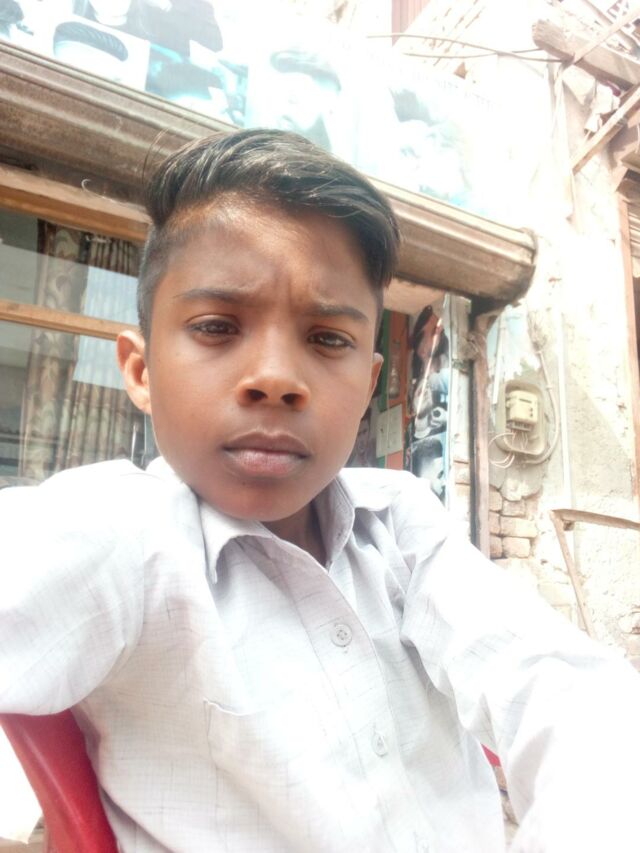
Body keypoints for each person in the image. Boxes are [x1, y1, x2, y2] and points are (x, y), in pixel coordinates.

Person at [1, 128, 639, 853]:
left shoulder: (400, 522)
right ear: (142, 372)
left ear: (368, 385)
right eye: (217, 327)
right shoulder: (122, 535)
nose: (276, 377)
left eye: (329, 338)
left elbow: (565, 690)